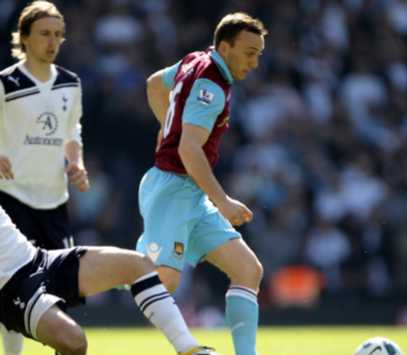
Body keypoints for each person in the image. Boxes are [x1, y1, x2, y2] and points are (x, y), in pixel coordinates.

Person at [0, 105, 219, 355]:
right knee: (75, 342)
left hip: (39, 259)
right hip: (9, 289)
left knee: (137, 265)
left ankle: (189, 349)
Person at [136, 13, 267, 355]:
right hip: (173, 188)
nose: (254, 62)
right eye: (249, 52)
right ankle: (93, 272)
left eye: (259, 54)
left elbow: (153, 84)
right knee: (164, 280)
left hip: (188, 191)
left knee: (247, 270)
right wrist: (223, 201)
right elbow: (189, 149)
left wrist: (167, 126)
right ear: (225, 47)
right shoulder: (212, 84)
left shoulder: (195, 59)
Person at [0, 2, 88, 353]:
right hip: (12, 197)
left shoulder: (70, 83)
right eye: (45, 34)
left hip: (55, 201)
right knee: (17, 290)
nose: (53, 42)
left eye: (58, 35)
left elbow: (72, 133)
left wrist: (76, 164)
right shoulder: (3, 83)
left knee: (59, 291)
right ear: (24, 37)